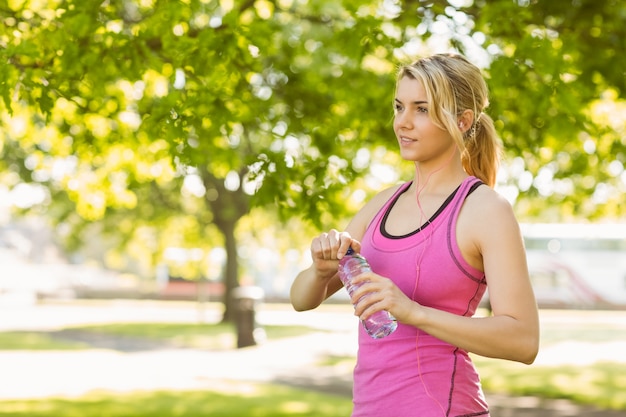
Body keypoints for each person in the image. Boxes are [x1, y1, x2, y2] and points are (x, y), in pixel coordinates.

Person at [290, 53, 539, 417]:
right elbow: (301, 300)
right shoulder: (381, 204)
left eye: (421, 109)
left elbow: (523, 341)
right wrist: (320, 269)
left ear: (462, 120)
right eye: (399, 106)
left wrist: (413, 312)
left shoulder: (485, 210)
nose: (403, 123)